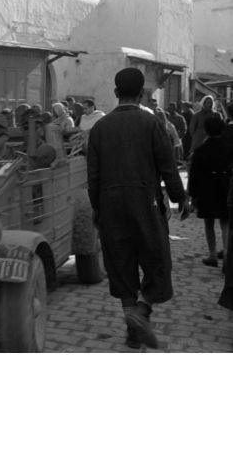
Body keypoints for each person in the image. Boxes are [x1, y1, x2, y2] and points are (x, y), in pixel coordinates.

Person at [87, 68, 187, 350]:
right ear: (142, 92)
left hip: (110, 206)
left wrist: (98, 210)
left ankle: (132, 329)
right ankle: (142, 310)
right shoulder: (151, 123)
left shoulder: (99, 128)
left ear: (116, 93)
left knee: (121, 266)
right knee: (157, 262)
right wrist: (181, 198)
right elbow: (167, 167)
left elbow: (92, 177)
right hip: (146, 203)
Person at [188, 117, 232, 268]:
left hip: (207, 189)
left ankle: (212, 254)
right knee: (225, 222)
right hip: (225, 186)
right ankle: (226, 252)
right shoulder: (229, 147)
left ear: (206, 130)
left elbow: (194, 175)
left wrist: (192, 195)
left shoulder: (201, 150)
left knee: (209, 222)